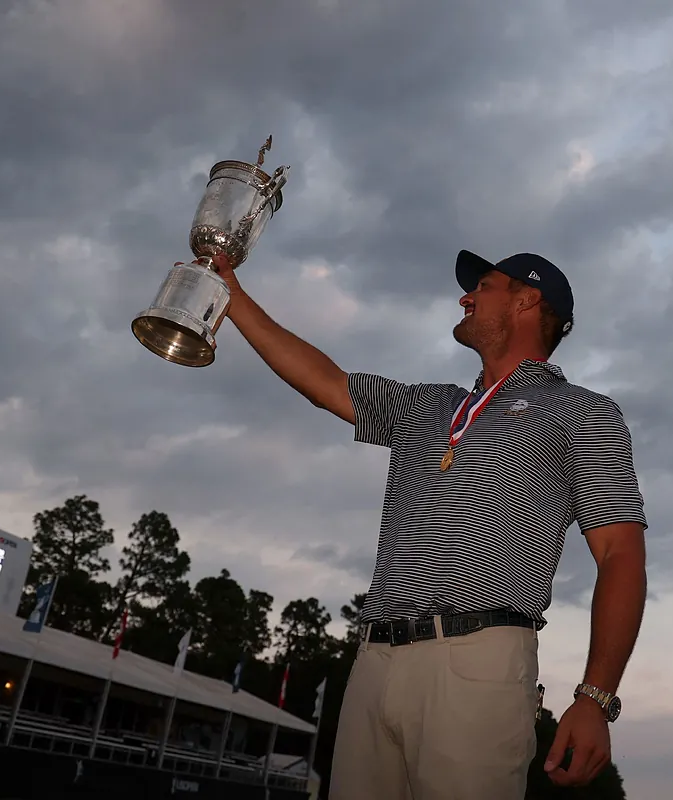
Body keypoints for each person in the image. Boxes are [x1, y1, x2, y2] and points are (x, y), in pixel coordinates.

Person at [211, 248, 647, 800]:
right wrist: (230, 295)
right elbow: (326, 383)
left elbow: (620, 556)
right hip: (373, 662)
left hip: (477, 662)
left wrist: (596, 697)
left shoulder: (584, 412)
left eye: (483, 286)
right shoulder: (430, 405)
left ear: (527, 300)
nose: (466, 296)